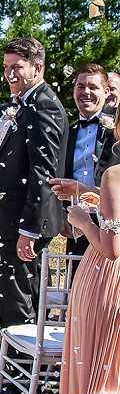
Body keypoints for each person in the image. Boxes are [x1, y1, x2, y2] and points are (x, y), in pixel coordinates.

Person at [0, 37, 69, 394]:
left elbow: (44, 173)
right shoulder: (22, 105)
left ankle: (21, 380)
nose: (9, 74)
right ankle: (19, 373)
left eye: (16, 67)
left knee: (20, 296)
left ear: (37, 67)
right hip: (11, 217)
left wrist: (29, 230)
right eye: (6, 67)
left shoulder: (44, 106)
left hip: (25, 222)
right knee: (14, 291)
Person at [55, 119, 120, 394]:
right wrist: (90, 192)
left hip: (106, 281)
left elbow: (112, 247)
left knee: (93, 367)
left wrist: (81, 219)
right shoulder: (109, 182)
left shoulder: (115, 174)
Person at [64, 63, 120, 257]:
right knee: (77, 286)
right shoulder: (67, 132)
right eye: (80, 86)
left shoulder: (116, 132)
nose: (86, 92)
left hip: (111, 226)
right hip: (75, 226)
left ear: (106, 92)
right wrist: (62, 217)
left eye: (93, 87)